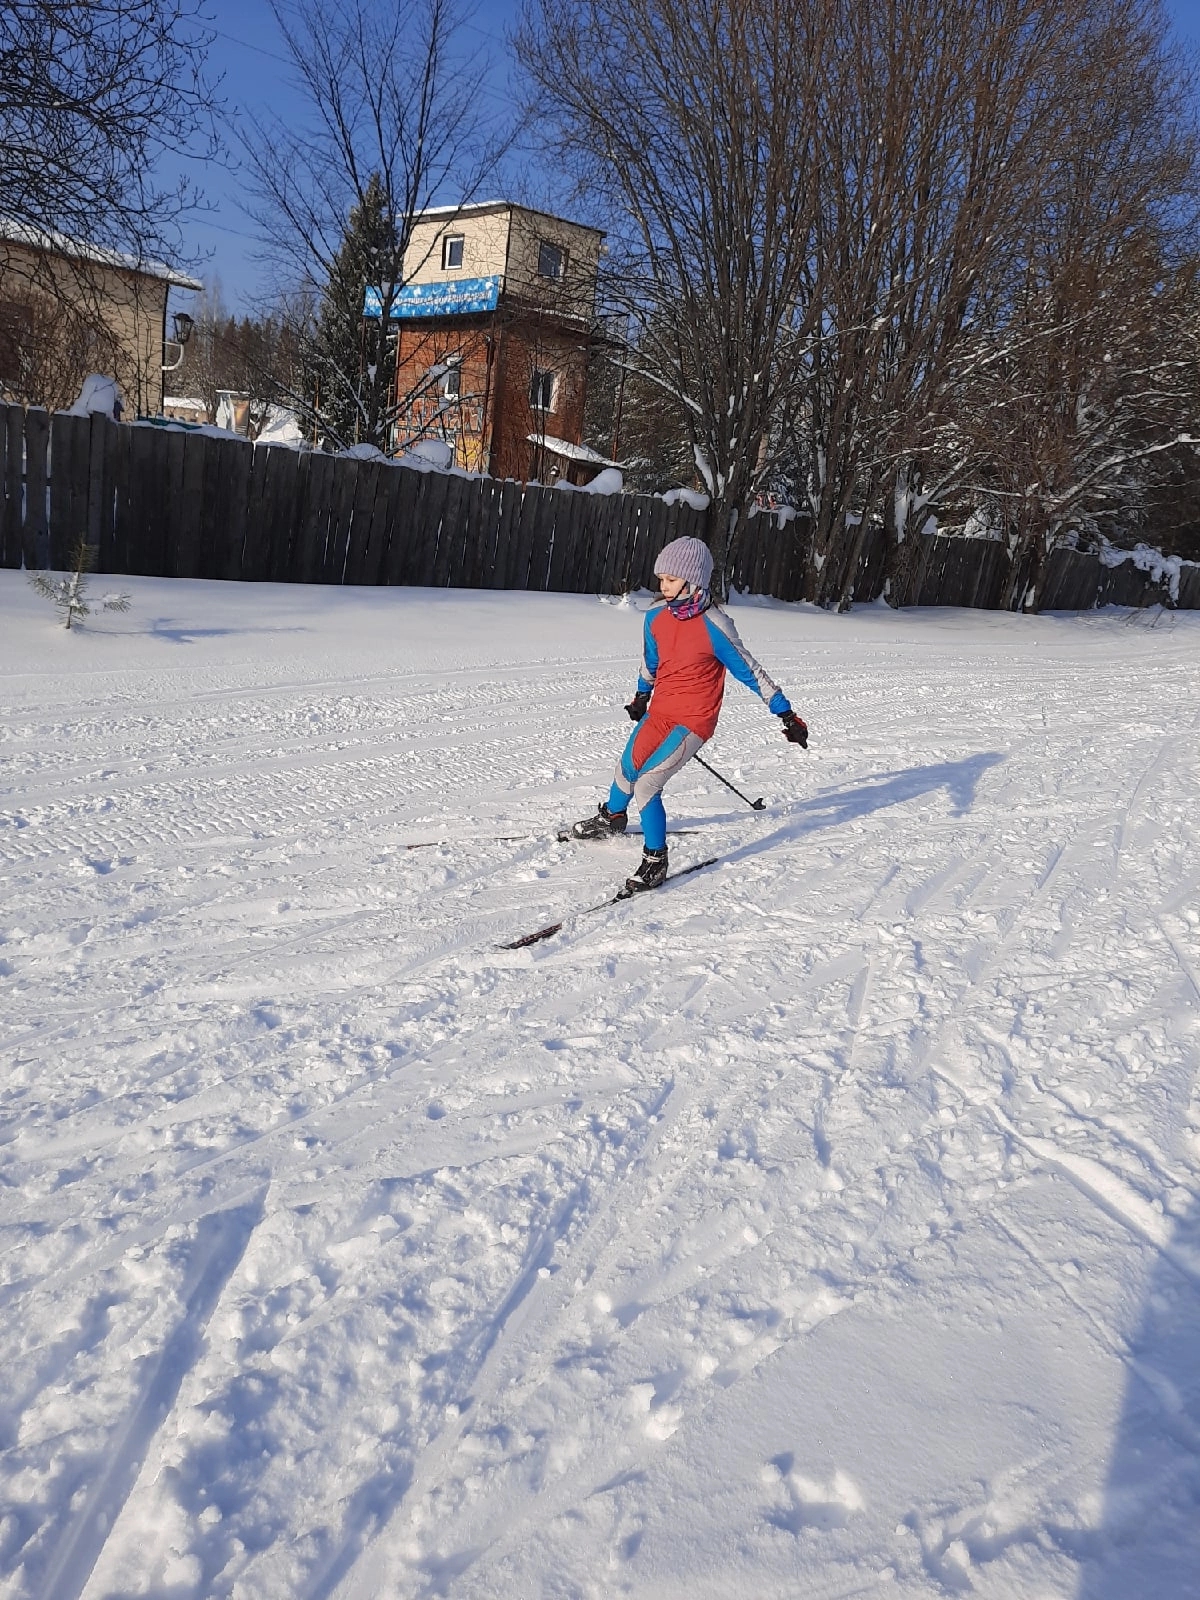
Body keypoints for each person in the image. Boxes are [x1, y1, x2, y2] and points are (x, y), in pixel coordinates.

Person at [571, 535, 808, 891]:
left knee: (648, 784)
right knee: (628, 767)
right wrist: (640, 696)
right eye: (661, 579)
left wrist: (787, 714)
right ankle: (612, 817)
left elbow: (752, 672)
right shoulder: (655, 617)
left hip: (693, 721)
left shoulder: (716, 625)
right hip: (661, 711)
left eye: (669, 579)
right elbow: (651, 660)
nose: (661, 586)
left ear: (691, 581)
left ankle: (655, 860)